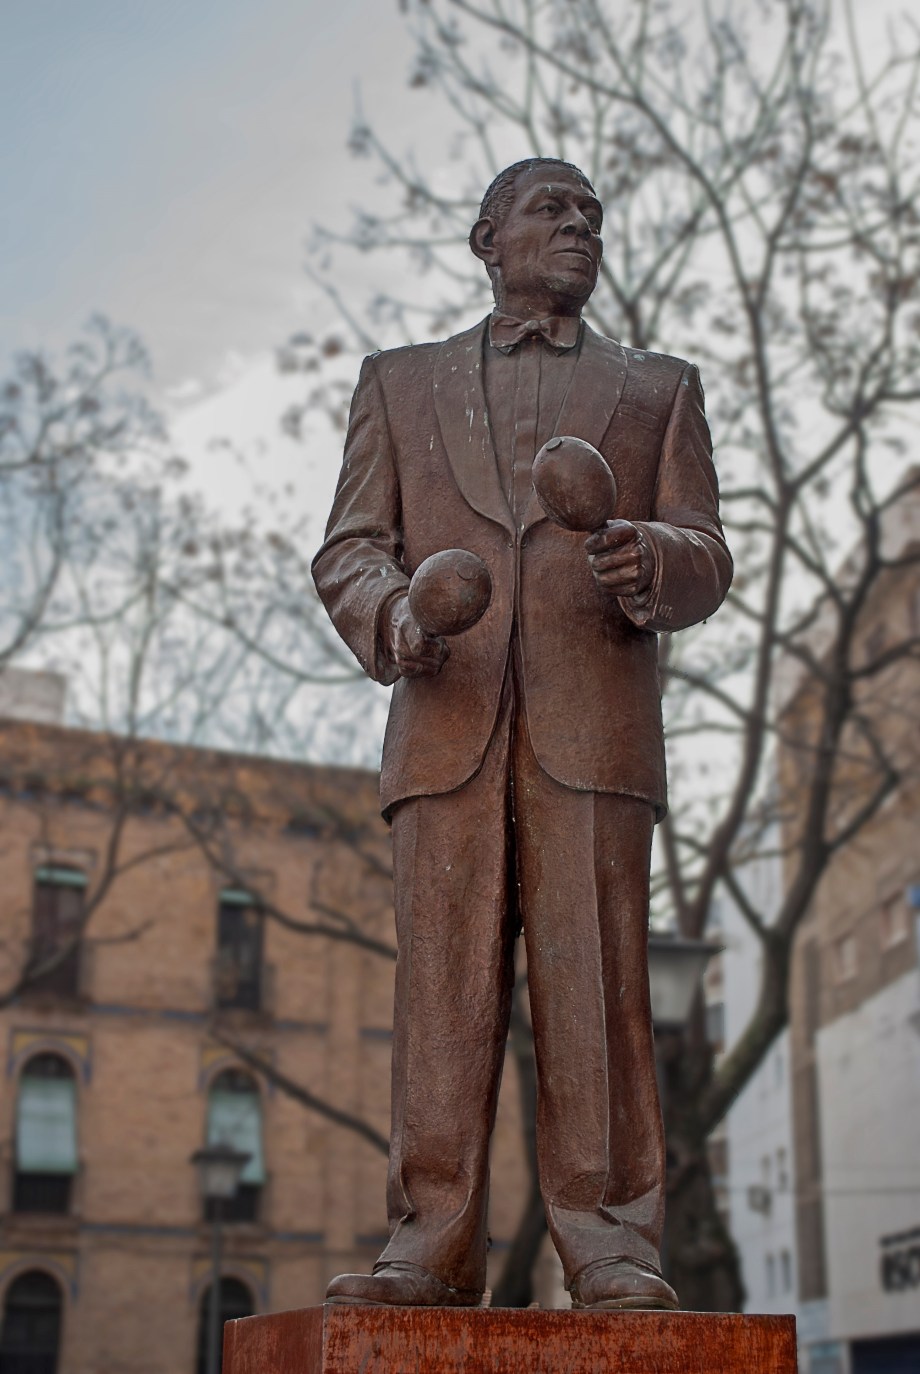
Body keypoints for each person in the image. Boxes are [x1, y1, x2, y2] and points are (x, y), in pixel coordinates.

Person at [312, 158, 732, 1310]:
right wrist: (394, 613)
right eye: (552, 210)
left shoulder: (657, 389)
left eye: (592, 215)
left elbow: (707, 550)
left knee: (595, 991)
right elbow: (349, 547)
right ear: (485, 238)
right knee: (439, 996)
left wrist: (652, 555)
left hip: (592, 735)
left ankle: (608, 1241)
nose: (579, 228)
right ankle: (428, 1241)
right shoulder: (396, 384)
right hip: (445, 725)